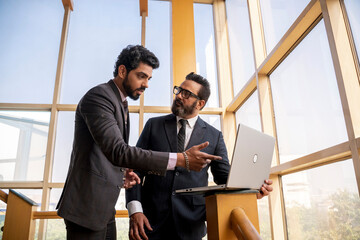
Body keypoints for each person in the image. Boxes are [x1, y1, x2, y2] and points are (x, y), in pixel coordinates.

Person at [56, 46, 222, 240]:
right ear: (122, 71)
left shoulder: (120, 104)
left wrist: (122, 173)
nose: (146, 85)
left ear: (200, 103)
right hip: (87, 208)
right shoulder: (100, 97)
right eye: (141, 76)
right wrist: (181, 159)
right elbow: (119, 151)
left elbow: (107, 152)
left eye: (149, 79)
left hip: (104, 209)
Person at [126, 72, 273, 240]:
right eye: (179, 90)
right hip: (149, 224)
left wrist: (252, 190)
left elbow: (225, 179)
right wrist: (135, 211)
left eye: (186, 94)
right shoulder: (154, 126)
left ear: (200, 103)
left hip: (191, 226)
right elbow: (135, 170)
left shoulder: (214, 136)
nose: (179, 95)